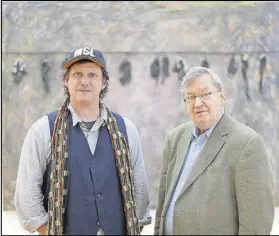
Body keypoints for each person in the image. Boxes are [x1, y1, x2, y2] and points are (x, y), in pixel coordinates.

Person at [14, 46, 151, 235]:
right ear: (66, 81)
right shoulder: (43, 130)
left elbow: (140, 189)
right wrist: (49, 231)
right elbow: (27, 193)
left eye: (92, 75)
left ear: (103, 82)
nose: (84, 81)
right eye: (77, 74)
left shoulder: (126, 129)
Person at [154, 66, 275, 235]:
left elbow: (257, 223)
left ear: (222, 96)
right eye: (190, 97)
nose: (197, 103)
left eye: (205, 94)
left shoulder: (247, 144)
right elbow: (162, 205)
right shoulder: (175, 138)